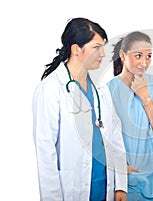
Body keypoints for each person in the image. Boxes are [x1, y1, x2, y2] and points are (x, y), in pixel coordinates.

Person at [32, 17, 127, 201]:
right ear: (76, 49)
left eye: (103, 47)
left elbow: (116, 139)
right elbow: (46, 152)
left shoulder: (101, 90)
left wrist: (120, 186)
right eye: (96, 47)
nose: (102, 54)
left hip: (105, 187)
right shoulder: (51, 89)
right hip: (72, 189)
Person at [107, 31, 153, 201]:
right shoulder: (107, 91)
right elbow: (104, 140)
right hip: (122, 184)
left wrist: (145, 95)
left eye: (148, 57)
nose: (144, 63)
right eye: (138, 56)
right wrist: (118, 168)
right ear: (123, 56)